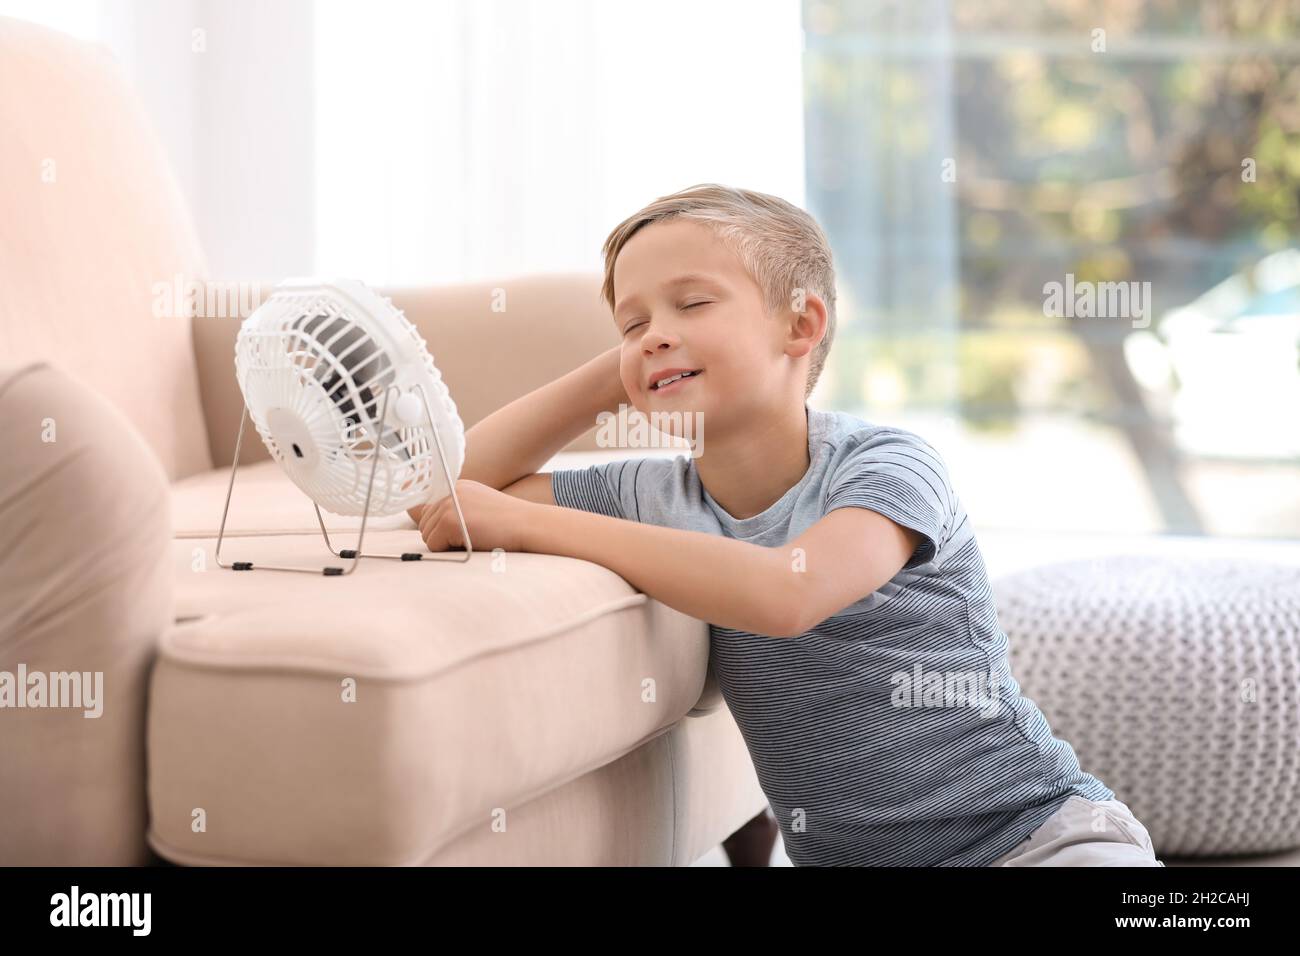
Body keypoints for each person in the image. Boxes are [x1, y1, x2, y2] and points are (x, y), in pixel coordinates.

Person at [410, 184, 1163, 867]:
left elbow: (786, 595)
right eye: (632, 321)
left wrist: (524, 522)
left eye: (692, 305)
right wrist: (619, 370)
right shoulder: (646, 492)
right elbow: (450, 485)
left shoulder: (887, 467)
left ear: (801, 324)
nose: (653, 334)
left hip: (1031, 842)